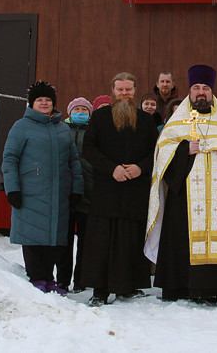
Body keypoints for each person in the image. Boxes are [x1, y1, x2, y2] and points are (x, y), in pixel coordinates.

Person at [146, 64, 217, 304]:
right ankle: (182, 286)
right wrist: (183, 150)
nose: (201, 92)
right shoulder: (177, 123)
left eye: (206, 88)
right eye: (196, 88)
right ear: (190, 91)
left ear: (212, 92)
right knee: (183, 238)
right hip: (185, 199)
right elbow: (162, 155)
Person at [81, 72, 158, 306]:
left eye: (129, 89)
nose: (125, 94)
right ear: (113, 91)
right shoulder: (100, 117)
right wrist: (112, 168)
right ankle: (100, 290)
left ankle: (127, 286)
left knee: (130, 240)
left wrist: (140, 168)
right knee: (101, 241)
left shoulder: (146, 120)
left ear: (135, 91)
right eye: (120, 89)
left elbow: (156, 152)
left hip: (135, 191)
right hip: (107, 190)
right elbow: (89, 149)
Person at [2, 81, 84, 294]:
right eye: (40, 100)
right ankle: (37, 277)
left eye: (48, 100)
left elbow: (73, 161)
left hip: (59, 194)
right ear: (32, 103)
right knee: (33, 237)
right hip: (30, 193)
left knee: (54, 239)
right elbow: (10, 159)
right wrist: (12, 189)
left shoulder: (62, 128)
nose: (45, 103)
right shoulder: (21, 127)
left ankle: (49, 279)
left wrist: (76, 189)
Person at [56, 97, 93, 293]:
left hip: (89, 191)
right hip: (66, 192)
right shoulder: (61, 130)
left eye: (84, 110)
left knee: (86, 240)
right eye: (77, 109)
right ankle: (62, 279)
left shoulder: (94, 131)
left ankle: (82, 279)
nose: (80, 112)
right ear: (70, 112)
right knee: (64, 239)